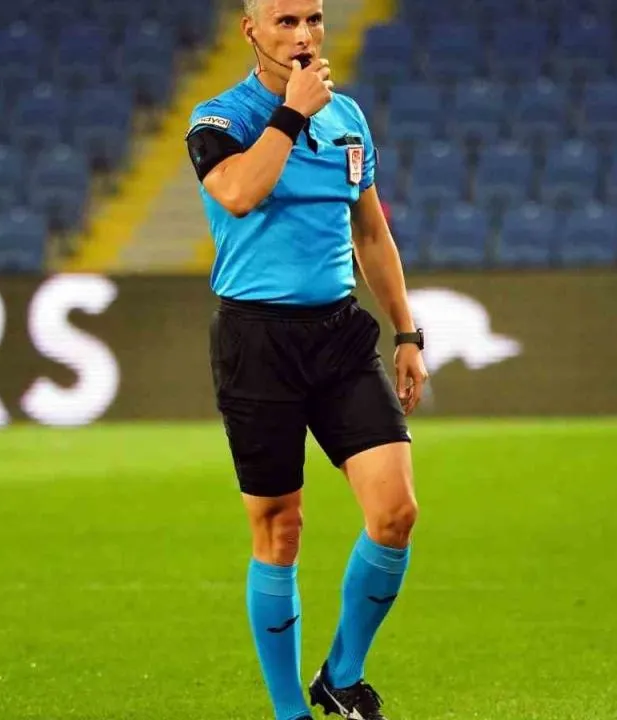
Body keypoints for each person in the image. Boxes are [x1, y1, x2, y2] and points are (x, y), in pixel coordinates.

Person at [183, 1, 428, 718]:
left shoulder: (348, 119)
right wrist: (291, 113)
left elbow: (371, 234)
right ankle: (290, 713)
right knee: (280, 530)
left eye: (314, 20)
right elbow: (237, 193)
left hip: (338, 334)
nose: (303, 35)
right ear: (250, 30)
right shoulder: (218, 119)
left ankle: (341, 676)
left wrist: (406, 333)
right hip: (257, 340)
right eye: (285, 21)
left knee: (396, 513)